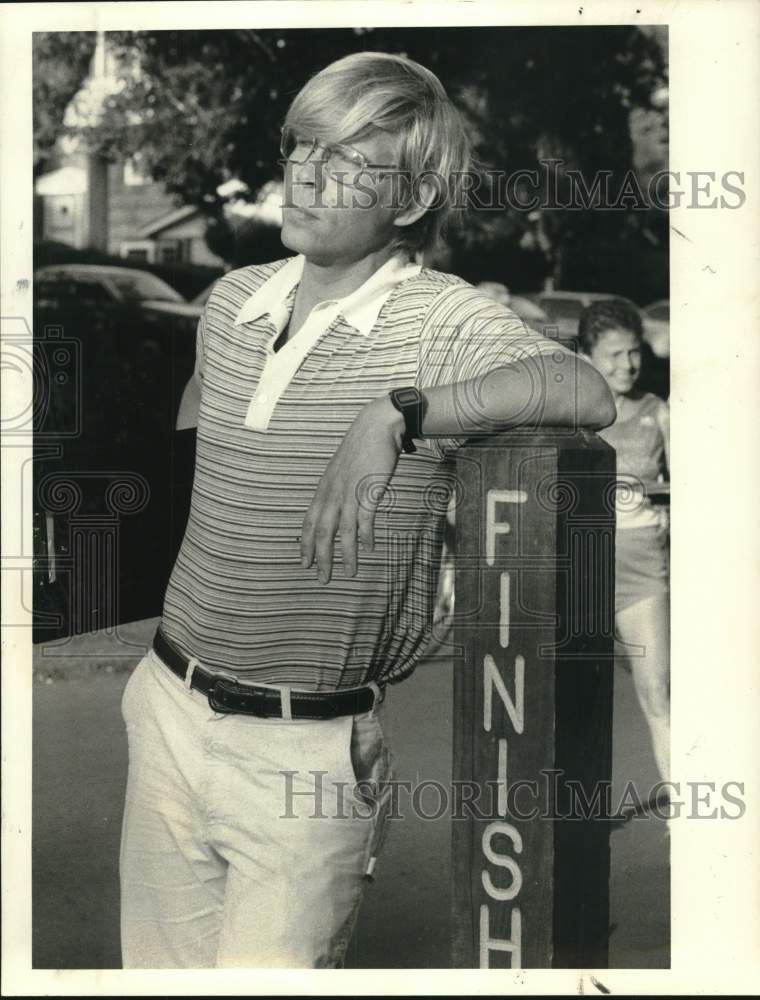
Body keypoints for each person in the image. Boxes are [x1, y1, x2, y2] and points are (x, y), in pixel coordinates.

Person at [119, 51, 615, 969]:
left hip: (303, 755)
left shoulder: (437, 321)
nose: (305, 174)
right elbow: (199, 413)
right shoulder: (233, 300)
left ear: (414, 197)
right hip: (164, 706)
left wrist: (397, 412)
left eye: (346, 159)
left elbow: (582, 387)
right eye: (300, 146)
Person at [578, 299, 670, 785]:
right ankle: (572, 813)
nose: (627, 365)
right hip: (579, 566)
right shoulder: (571, 416)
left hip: (640, 565)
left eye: (633, 352)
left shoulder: (658, 411)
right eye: (613, 355)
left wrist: (668, 514)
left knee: (658, 692)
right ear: (588, 357)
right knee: (575, 700)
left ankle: (685, 813)